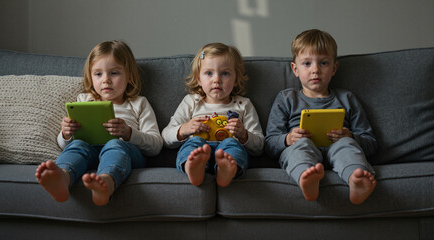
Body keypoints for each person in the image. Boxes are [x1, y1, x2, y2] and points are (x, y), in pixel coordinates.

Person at [35, 40, 163, 206]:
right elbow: (64, 145)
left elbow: (156, 146)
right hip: (91, 151)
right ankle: (63, 177)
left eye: (114, 73)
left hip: (127, 153)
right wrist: (66, 134)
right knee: (78, 145)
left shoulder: (139, 103)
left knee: (115, 144)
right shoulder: (84, 100)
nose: (106, 80)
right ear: (90, 76)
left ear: (129, 76)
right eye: (98, 74)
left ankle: (106, 182)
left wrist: (128, 133)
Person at [265, 29, 377, 205]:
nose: (315, 70)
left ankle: (356, 180)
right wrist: (288, 138)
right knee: (300, 146)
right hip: (302, 147)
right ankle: (306, 178)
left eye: (323, 63)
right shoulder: (286, 99)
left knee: (346, 145)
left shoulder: (347, 98)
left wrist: (350, 136)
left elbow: (370, 143)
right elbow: (269, 143)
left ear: (334, 68)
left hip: (338, 148)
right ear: (295, 69)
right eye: (307, 63)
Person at [162, 43, 264, 187]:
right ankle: (192, 168)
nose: (217, 79)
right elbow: (165, 136)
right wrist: (184, 129)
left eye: (225, 73)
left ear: (235, 80)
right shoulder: (192, 101)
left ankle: (226, 171)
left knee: (232, 144)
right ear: (199, 79)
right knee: (193, 144)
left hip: (227, 149)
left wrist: (244, 135)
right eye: (209, 73)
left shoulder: (243, 104)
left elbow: (259, 146)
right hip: (200, 147)